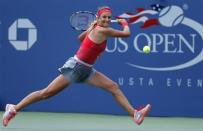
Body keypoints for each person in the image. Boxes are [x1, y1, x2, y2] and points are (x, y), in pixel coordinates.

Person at [2, 6, 151, 127]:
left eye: (108, 17)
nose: (106, 19)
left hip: (87, 70)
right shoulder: (102, 30)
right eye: (103, 17)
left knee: (113, 87)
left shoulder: (95, 29)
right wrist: (124, 24)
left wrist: (91, 42)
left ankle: (135, 115)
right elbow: (126, 34)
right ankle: (13, 108)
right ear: (98, 18)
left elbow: (80, 38)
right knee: (45, 93)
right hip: (76, 67)